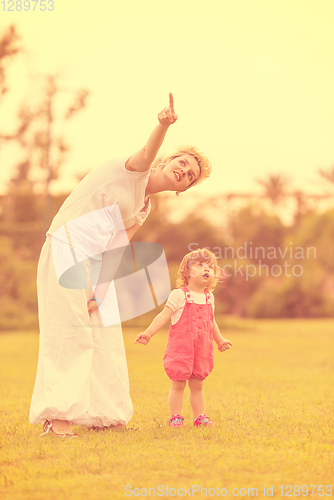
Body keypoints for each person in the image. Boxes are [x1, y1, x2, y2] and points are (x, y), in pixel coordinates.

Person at [30, 94, 212, 437]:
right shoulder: (132, 169)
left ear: (183, 189)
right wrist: (163, 124)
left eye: (190, 175)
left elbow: (115, 249)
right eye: (183, 163)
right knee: (69, 332)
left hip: (95, 263)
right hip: (66, 246)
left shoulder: (143, 208)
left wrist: (99, 294)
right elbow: (145, 153)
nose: (184, 171)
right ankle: (57, 421)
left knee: (106, 337)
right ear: (167, 159)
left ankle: (107, 418)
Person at [135, 248, 233, 427]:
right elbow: (164, 315)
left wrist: (219, 340)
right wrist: (148, 333)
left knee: (197, 385)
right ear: (187, 271)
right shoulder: (179, 295)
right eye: (201, 265)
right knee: (178, 384)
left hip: (201, 351)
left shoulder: (209, 297)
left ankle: (199, 417)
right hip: (181, 350)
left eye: (210, 267)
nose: (207, 269)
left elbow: (211, 321)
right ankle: (176, 417)